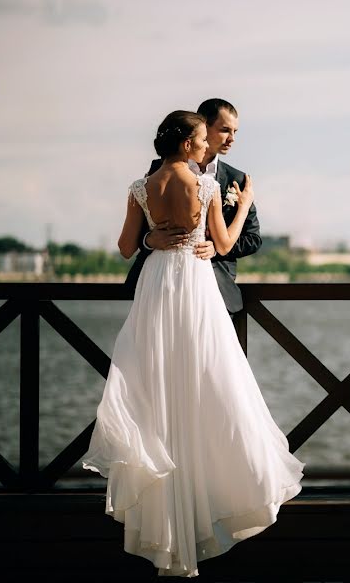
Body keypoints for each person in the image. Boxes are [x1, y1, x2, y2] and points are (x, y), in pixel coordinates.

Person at [83, 110, 305, 578]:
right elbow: (222, 245)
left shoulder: (139, 188)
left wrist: (150, 236)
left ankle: (167, 513)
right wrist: (244, 204)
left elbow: (127, 248)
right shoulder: (204, 187)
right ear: (187, 144)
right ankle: (213, 493)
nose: (207, 147)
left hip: (157, 284)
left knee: (158, 381)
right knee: (211, 377)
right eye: (203, 140)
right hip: (194, 288)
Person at [125, 98, 260, 317]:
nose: (232, 139)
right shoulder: (157, 170)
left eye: (235, 131)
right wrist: (149, 240)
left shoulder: (238, 179)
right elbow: (139, 227)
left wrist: (214, 248)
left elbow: (253, 238)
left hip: (214, 289)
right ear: (202, 126)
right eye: (225, 130)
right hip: (159, 284)